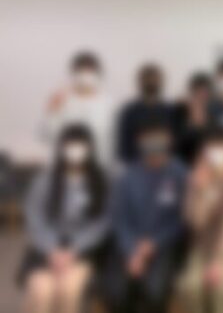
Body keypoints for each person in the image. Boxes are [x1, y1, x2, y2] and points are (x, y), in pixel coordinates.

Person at [22, 124, 111, 313]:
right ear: (61, 148)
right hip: (46, 248)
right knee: (42, 291)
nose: (75, 151)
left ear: (90, 149)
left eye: (81, 146)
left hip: (84, 249)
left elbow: (103, 222)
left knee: (68, 289)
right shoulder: (45, 179)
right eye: (70, 146)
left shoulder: (101, 180)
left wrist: (73, 250)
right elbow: (34, 217)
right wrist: (52, 249)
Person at [106, 117, 186, 313]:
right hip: (130, 245)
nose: (154, 145)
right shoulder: (127, 176)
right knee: (117, 290)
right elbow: (119, 219)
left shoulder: (180, 174)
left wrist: (154, 243)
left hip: (164, 245)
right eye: (149, 139)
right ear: (139, 142)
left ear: (169, 140)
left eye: (159, 139)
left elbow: (181, 220)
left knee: (154, 291)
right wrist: (132, 250)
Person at [177, 127, 223, 313]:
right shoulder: (196, 177)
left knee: (221, 288)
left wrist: (218, 260)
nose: (218, 153)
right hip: (202, 247)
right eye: (213, 148)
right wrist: (200, 190)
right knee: (190, 286)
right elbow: (195, 222)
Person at [41, 51, 114, 166]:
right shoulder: (62, 101)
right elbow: (47, 135)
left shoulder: (109, 104)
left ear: (98, 75)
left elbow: (114, 139)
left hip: (101, 165)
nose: (85, 76)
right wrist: (52, 111)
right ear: (74, 74)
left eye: (90, 72)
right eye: (81, 72)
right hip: (67, 166)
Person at [116, 63, 174, 164]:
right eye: (147, 78)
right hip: (136, 166)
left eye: (154, 78)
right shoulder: (129, 112)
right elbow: (123, 148)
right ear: (140, 82)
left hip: (166, 166)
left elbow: (176, 144)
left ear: (161, 81)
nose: (151, 82)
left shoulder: (170, 111)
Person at [172, 72, 213, 165]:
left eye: (205, 92)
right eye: (198, 92)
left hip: (207, 163)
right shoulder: (180, 112)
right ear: (192, 92)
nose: (201, 96)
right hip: (183, 162)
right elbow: (176, 143)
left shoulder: (213, 114)